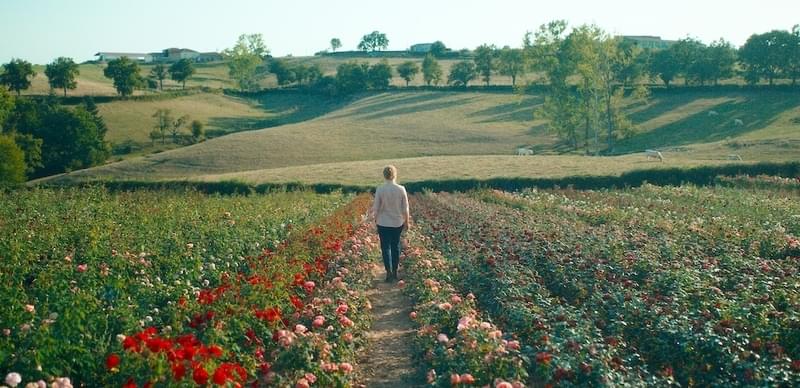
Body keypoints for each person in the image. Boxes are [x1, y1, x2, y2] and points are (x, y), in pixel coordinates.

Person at [368, 165, 410, 282]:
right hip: (397, 222)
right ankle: (395, 272)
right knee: (395, 246)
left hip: (383, 222)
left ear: (384, 175)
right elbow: (405, 208)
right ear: (395, 175)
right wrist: (407, 221)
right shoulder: (401, 189)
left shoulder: (380, 189)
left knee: (385, 247)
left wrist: (371, 220)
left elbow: (376, 208)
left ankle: (388, 273)